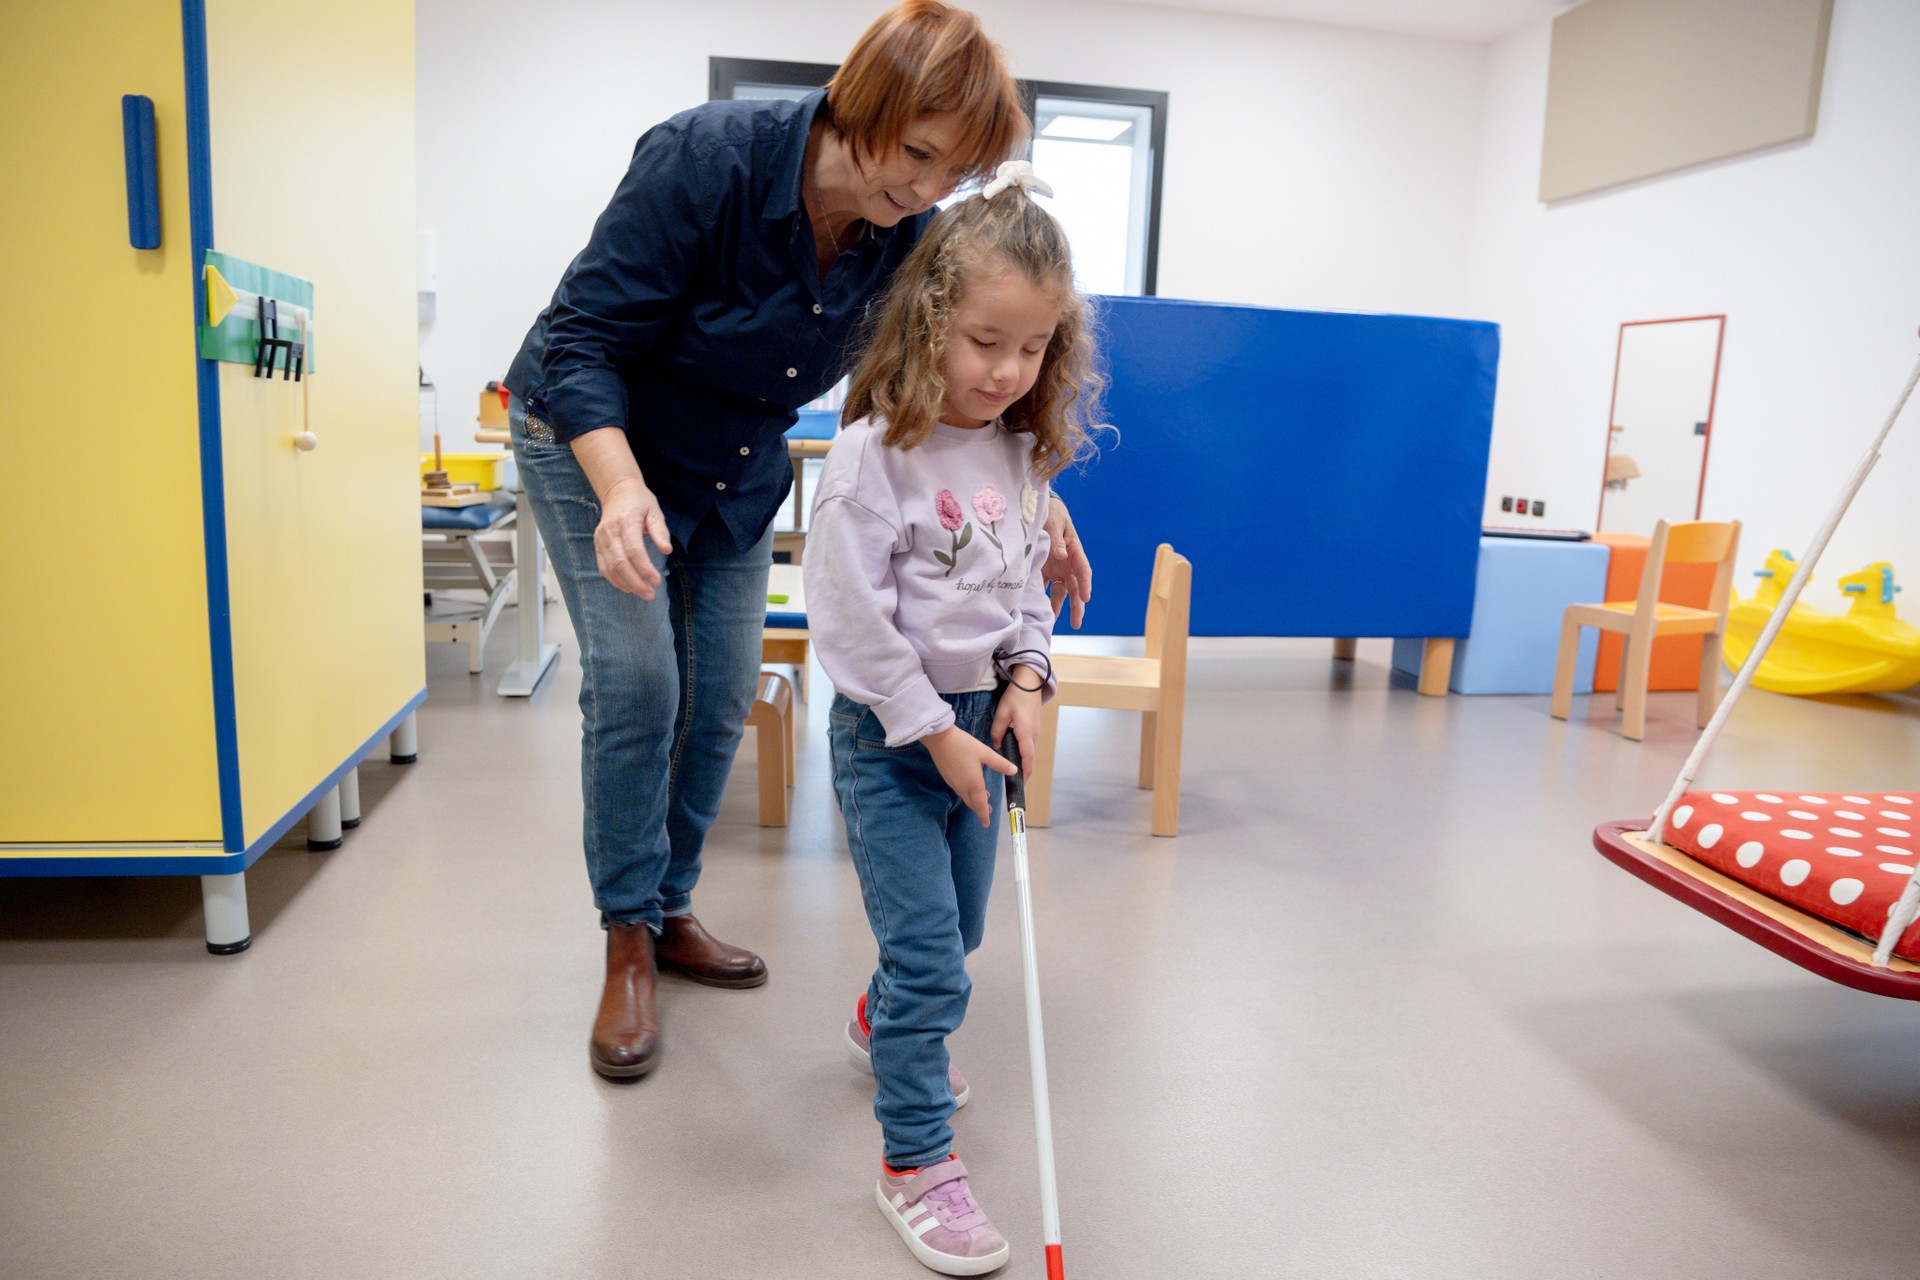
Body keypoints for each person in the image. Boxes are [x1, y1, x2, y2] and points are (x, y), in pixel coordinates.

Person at [503, 2, 1092, 1082]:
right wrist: (622, 487)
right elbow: (583, 339)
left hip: (729, 469)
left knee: (723, 694)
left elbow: (933, 385)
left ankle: (673, 906)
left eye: (948, 171)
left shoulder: (910, 237)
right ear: (858, 99)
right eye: (912, 151)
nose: (920, 189)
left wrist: (1031, 493)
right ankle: (627, 936)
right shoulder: (707, 160)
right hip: (595, 436)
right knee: (642, 685)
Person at [804, 161, 1103, 1276]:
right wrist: (931, 723)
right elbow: (849, 623)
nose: (1006, 369)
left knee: (959, 936)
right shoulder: (873, 457)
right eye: (985, 340)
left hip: (985, 720)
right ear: (930, 318)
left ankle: (885, 1024)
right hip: (894, 733)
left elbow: (1024, 591)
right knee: (935, 956)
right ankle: (915, 1163)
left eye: (1031, 348)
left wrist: (1027, 680)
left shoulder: (1024, 454)